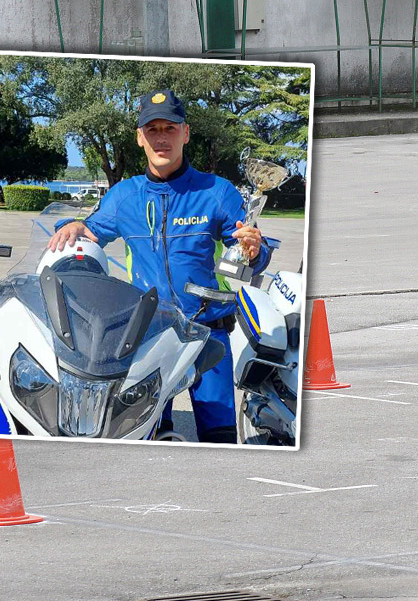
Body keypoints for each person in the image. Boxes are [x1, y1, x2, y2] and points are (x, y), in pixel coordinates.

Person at [46, 89, 271, 444]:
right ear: (140, 137)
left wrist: (255, 250)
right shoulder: (125, 196)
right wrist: (71, 227)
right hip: (151, 338)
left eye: (170, 128)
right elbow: (90, 231)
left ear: (185, 133)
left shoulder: (216, 191)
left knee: (222, 441)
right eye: (153, 130)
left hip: (208, 334)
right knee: (150, 440)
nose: (161, 137)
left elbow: (250, 250)